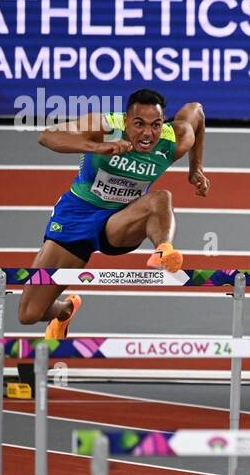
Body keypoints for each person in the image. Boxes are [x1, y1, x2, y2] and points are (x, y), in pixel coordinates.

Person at [17, 89, 209, 339]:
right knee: (29, 313)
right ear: (126, 120)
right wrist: (98, 147)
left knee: (161, 198)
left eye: (156, 125)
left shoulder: (175, 139)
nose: (147, 134)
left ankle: (163, 250)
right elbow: (48, 136)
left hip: (122, 220)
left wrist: (196, 169)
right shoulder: (104, 125)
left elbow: (197, 110)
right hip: (77, 216)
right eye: (139, 124)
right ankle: (65, 310)